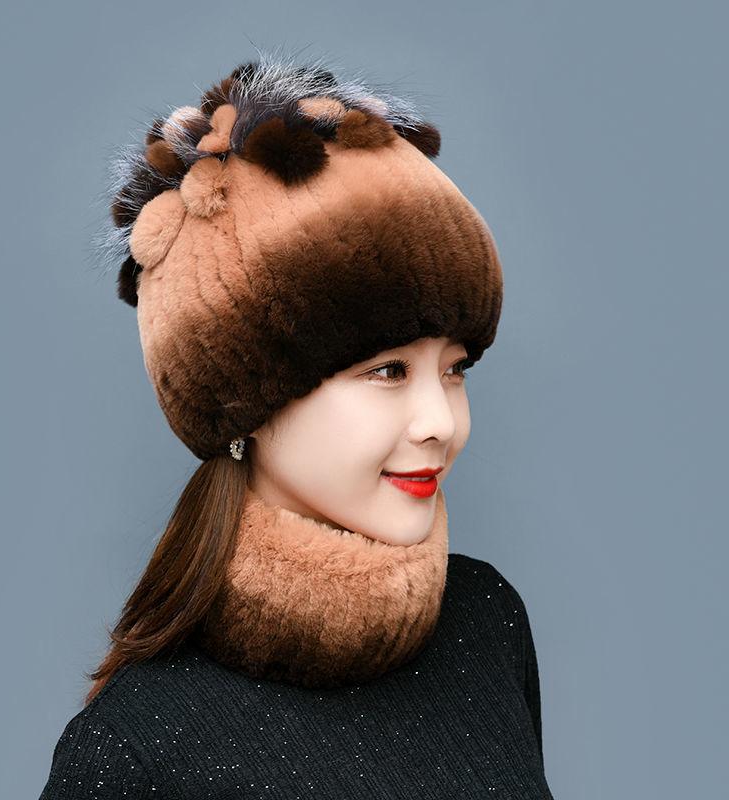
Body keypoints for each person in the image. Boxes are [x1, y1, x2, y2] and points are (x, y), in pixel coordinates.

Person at [38, 48, 554, 798]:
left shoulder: (483, 623)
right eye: (388, 371)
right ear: (245, 400)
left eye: (455, 367)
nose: (442, 422)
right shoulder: (139, 747)